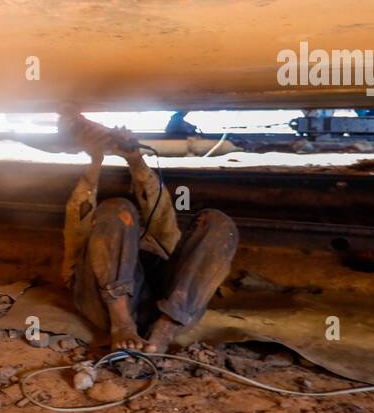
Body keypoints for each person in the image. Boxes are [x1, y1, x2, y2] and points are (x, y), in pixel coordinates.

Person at [57, 106, 239, 354]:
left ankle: (163, 330)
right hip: (105, 308)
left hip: (172, 309)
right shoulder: (102, 225)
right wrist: (96, 160)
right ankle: (122, 323)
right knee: (117, 208)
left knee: (218, 223)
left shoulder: (156, 236)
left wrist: (134, 159)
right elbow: (78, 213)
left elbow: (157, 203)